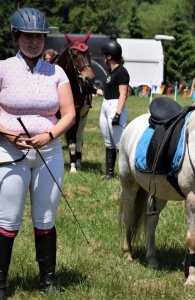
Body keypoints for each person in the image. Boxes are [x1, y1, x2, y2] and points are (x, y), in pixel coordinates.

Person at [0, 7, 75, 297]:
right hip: (9, 151)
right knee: (8, 218)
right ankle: (2, 284)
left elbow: (68, 113)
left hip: (49, 152)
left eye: (40, 37)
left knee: (46, 217)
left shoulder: (56, 71)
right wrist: (7, 133)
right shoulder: (3, 68)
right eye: (28, 36)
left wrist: (50, 134)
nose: (35, 42)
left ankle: (48, 283)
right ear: (15, 37)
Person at [96, 40, 129, 181]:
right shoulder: (110, 72)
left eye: (104, 55)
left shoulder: (122, 71)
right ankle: (109, 173)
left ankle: (125, 174)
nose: (102, 58)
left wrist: (118, 113)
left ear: (109, 56)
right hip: (106, 105)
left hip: (116, 107)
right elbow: (108, 92)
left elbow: (122, 93)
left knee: (119, 143)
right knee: (109, 143)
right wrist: (93, 90)